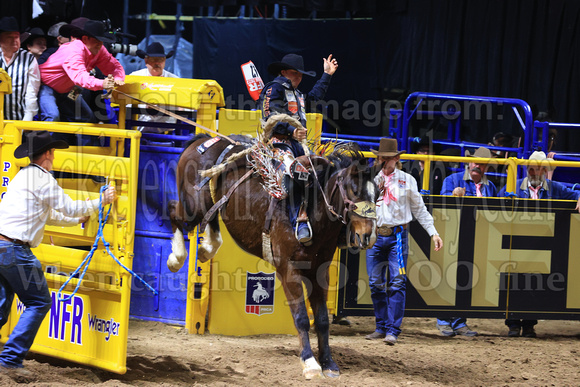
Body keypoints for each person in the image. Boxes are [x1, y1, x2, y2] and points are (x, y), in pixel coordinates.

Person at [0, 130, 117, 371]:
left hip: (2, 246)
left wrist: (78, 219)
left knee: (2, 303)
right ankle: (10, 359)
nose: (54, 157)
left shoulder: (23, 176)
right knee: (39, 302)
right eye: (53, 152)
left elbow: (51, 215)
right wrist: (101, 200)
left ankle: (9, 358)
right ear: (48, 153)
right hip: (15, 250)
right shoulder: (42, 179)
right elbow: (69, 207)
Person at [365, 138, 443, 345]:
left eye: (388, 158)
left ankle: (392, 329)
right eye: (382, 157)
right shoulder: (371, 179)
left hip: (397, 236)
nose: (385, 161)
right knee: (375, 283)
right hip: (375, 235)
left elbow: (419, 208)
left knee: (397, 282)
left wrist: (432, 232)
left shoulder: (407, 180)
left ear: (396, 159)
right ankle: (382, 326)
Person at [257, 53, 338, 244]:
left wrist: (327, 75)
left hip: (297, 145)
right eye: (295, 74)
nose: (299, 78)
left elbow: (314, 97)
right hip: (279, 143)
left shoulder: (298, 94)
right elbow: (271, 116)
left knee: (323, 171)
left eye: (301, 75)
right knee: (297, 172)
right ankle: (299, 221)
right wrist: (291, 131)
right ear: (284, 72)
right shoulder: (273, 89)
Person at [498, 151, 580, 338]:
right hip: (517, 240)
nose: (535, 172)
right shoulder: (514, 186)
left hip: (542, 242)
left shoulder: (555, 188)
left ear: (545, 170)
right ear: (527, 169)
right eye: (532, 169)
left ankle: (528, 324)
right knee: (514, 280)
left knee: (536, 281)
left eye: (539, 169)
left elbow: (575, 192)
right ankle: (513, 323)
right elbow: (497, 206)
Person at [436, 146, 497, 337]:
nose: (477, 166)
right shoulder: (451, 180)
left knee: (468, 279)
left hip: (479, 240)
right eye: (475, 162)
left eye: (482, 164)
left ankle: (460, 321)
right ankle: (444, 320)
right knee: (449, 276)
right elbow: (440, 205)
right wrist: (452, 196)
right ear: (469, 163)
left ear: (486, 167)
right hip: (454, 236)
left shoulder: (490, 187)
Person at [38, 19, 125, 125]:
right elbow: (79, 77)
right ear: (84, 38)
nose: (100, 43)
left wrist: (118, 79)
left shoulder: (99, 49)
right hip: (46, 86)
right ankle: (42, 141)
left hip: (70, 89)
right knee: (53, 116)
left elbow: (115, 66)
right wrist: (103, 83)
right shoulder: (73, 49)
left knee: (86, 117)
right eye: (97, 40)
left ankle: (77, 141)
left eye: (101, 40)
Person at [130, 42, 178, 133]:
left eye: (160, 60)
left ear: (164, 61)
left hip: (166, 132)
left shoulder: (175, 81)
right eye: (153, 60)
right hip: (138, 131)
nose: (157, 63)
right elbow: (126, 103)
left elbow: (186, 107)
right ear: (146, 61)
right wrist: (143, 106)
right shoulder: (134, 78)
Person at [0, 16, 40, 121]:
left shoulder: (29, 59)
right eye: (9, 37)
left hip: (19, 118)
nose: (14, 40)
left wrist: (28, 118)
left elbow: (32, 91)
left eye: (17, 36)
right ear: (1, 40)